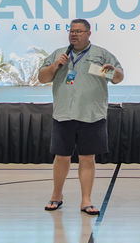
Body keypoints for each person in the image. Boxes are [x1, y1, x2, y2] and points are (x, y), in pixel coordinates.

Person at [38, 18, 123, 215]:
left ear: (88, 33)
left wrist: (114, 72)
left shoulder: (101, 55)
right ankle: (56, 195)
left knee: (87, 158)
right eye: (71, 31)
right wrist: (55, 66)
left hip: (91, 115)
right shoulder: (60, 55)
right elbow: (42, 78)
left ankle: (86, 201)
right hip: (64, 115)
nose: (74, 34)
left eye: (78, 31)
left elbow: (118, 78)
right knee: (61, 157)